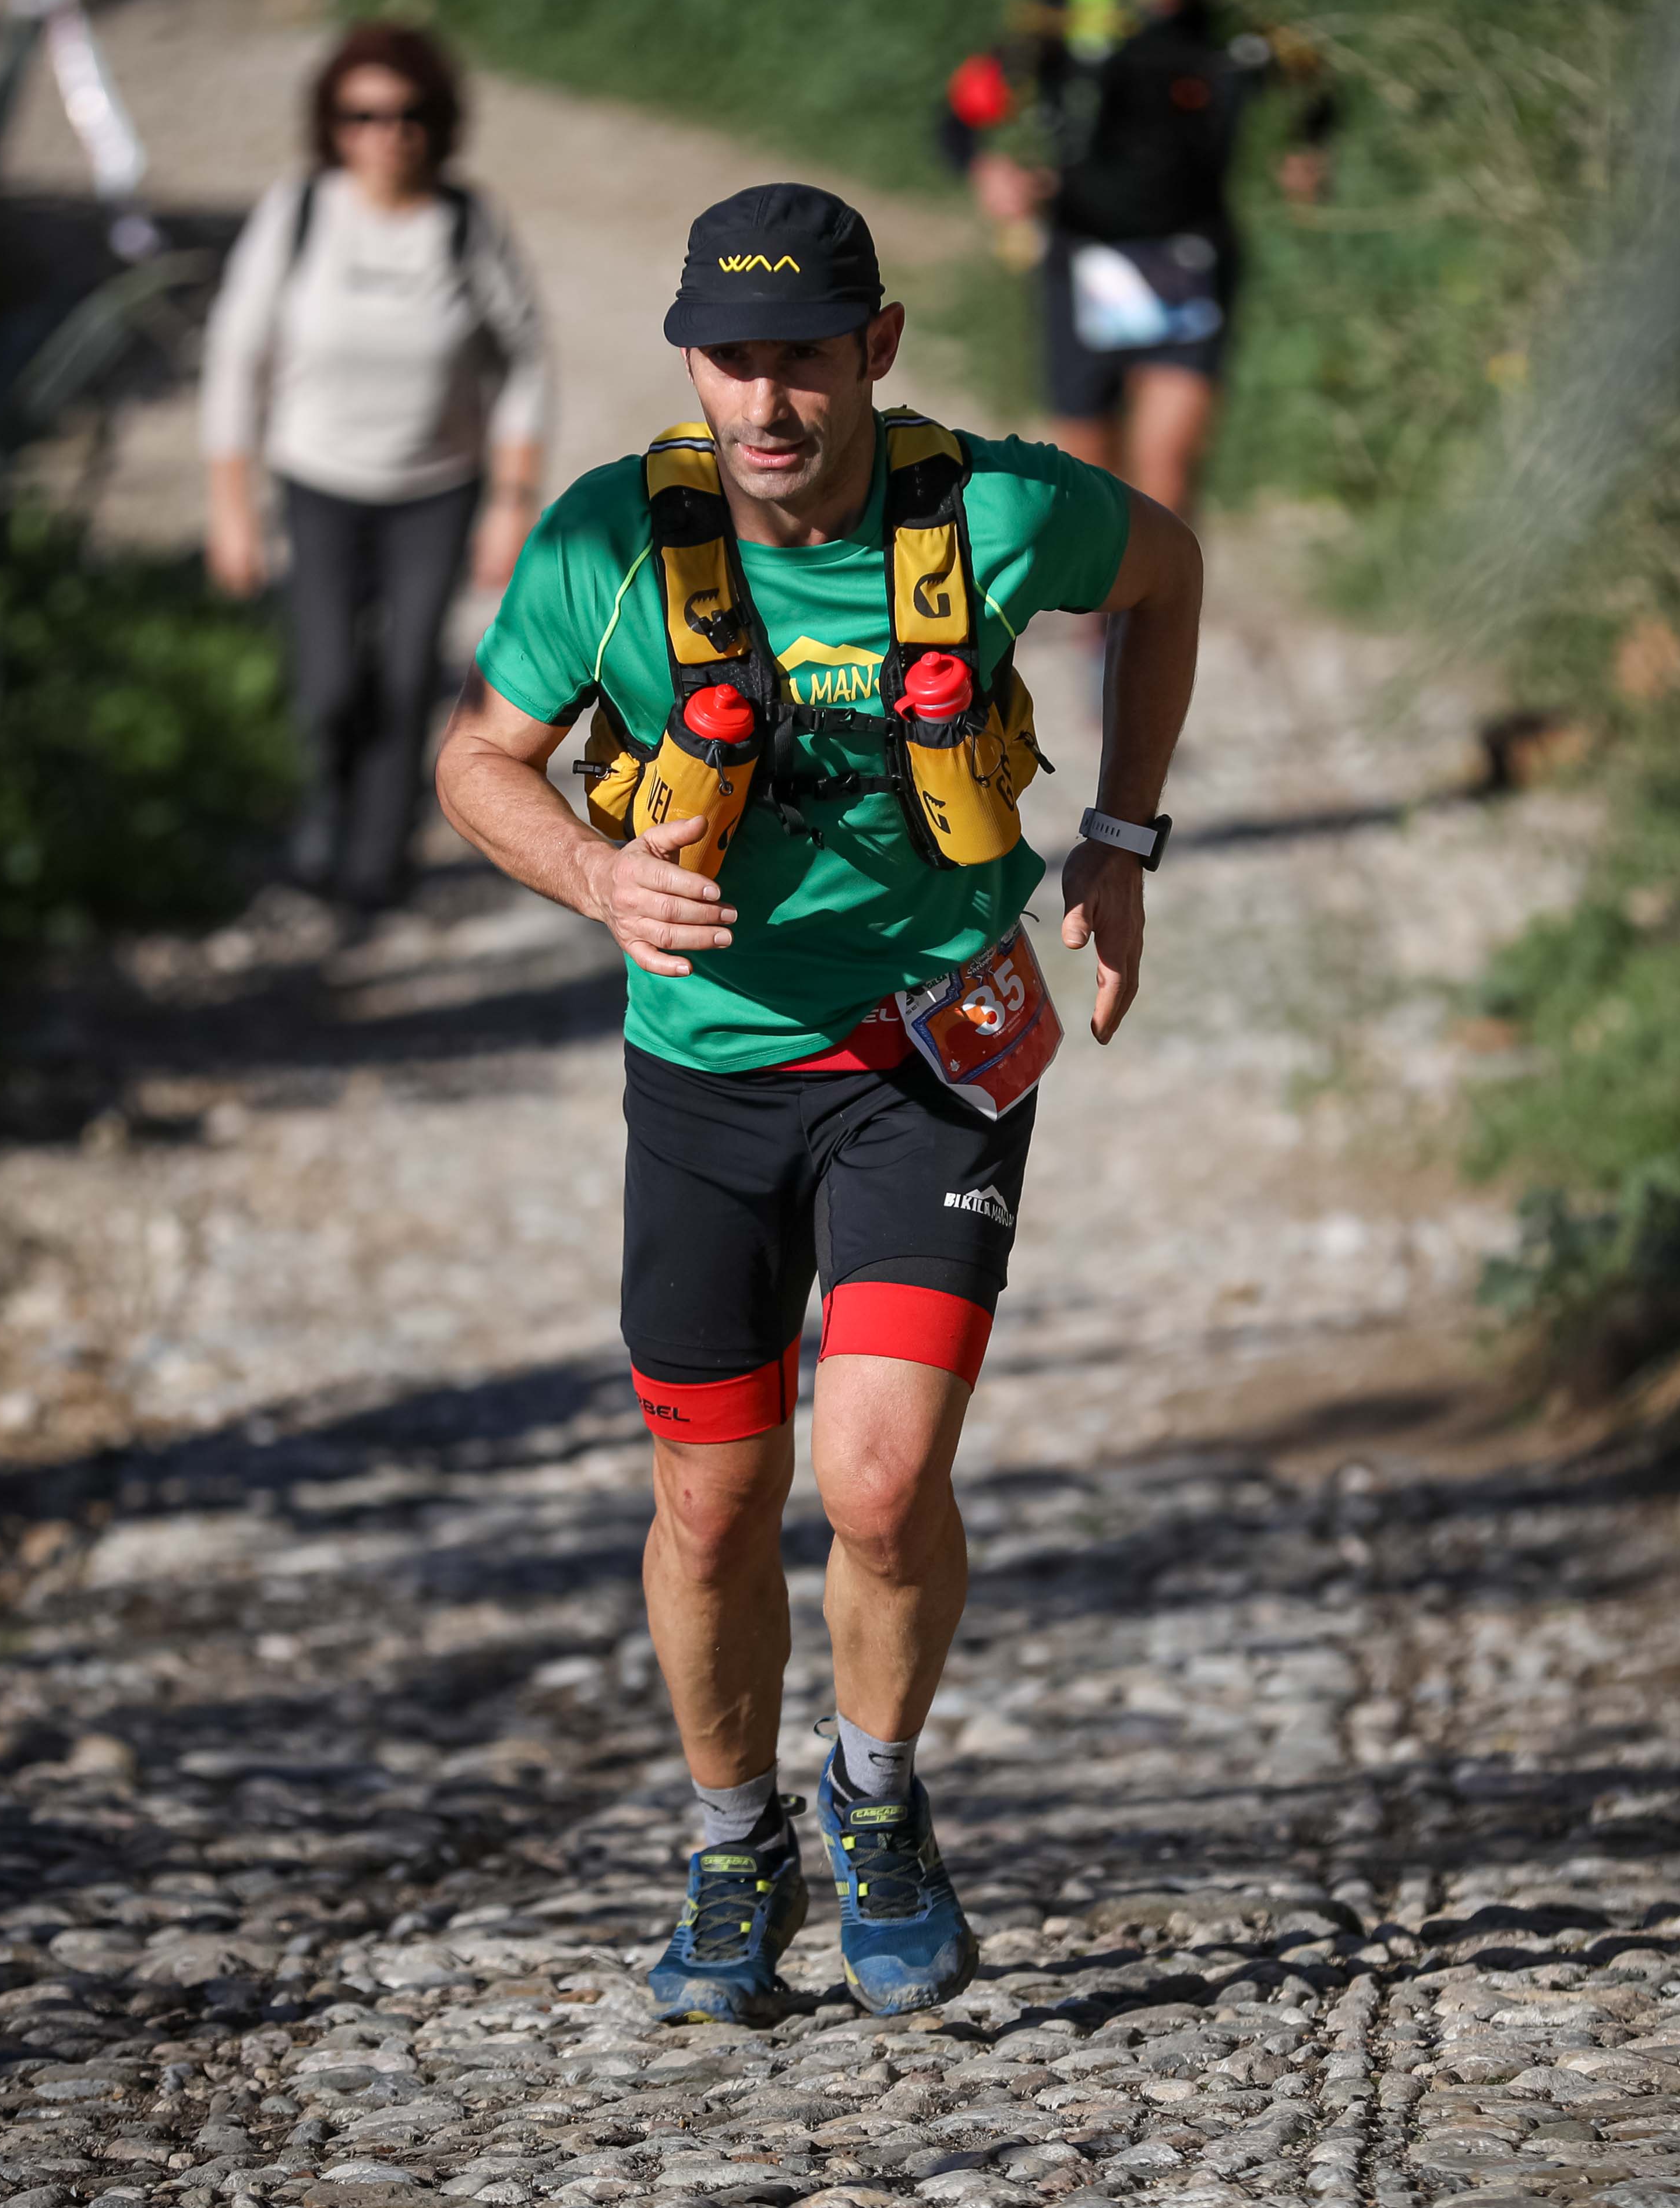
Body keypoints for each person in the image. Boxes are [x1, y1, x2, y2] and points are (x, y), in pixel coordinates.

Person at [432, 183, 1201, 2022]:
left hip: (930, 1056)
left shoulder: (999, 509)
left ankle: (873, 1794)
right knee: (710, 1504)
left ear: (877, 348)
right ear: (690, 359)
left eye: (799, 359)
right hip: (703, 1078)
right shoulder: (609, 543)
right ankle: (727, 1840)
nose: (763, 403)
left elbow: (1166, 570)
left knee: (875, 1475)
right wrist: (597, 879)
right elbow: (479, 759)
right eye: (728, 360)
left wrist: (1119, 834)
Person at [202, 21, 552, 910]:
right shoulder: (300, 212)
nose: (386, 134)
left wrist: (513, 502)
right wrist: (232, 507)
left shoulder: (467, 224)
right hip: (316, 482)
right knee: (324, 679)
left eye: (407, 115)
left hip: (435, 489)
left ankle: (378, 859)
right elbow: (234, 358)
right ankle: (321, 817)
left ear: (437, 123)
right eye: (361, 116)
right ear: (332, 124)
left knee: (405, 678)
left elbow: (524, 360)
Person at [938, 0, 1331, 520]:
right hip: (1082, 253)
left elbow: (1317, 83)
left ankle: (1148, 620)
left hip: (1193, 257)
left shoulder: (1228, 13)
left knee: (1167, 468)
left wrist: (1308, 148)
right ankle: (1103, 613)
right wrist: (988, 169)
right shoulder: (1068, 2)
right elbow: (961, 111)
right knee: (1089, 473)